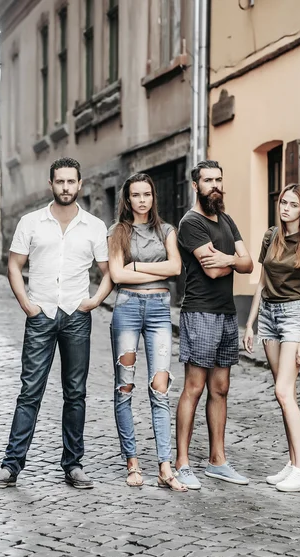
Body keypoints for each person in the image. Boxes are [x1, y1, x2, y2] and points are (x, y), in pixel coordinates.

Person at [0, 157, 113, 490]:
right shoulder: (31, 222)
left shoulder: (95, 226)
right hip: (41, 316)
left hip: (76, 316)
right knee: (30, 392)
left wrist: (94, 301)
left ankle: (73, 465)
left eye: (72, 182)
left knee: (75, 394)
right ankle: (11, 466)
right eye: (60, 182)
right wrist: (28, 305)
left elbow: (108, 270)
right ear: (51, 184)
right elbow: (14, 266)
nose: (66, 187)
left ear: (80, 184)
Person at [175, 160, 253, 490]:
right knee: (194, 387)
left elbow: (248, 264)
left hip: (226, 312)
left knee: (220, 388)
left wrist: (230, 261)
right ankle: (182, 463)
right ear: (196, 186)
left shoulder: (226, 219)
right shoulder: (190, 222)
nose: (214, 185)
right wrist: (233, 262)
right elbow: (211, 270)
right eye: (208, 180)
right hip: (200, 312)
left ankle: (217, 461)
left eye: (219, 179)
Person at [243, 183, 300, 492]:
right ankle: (292, 464)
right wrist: (250, 324)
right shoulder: (271, 237)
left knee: (283, 391)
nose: (285, 208)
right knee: (284, 394)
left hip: (294, 317)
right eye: (282, 202)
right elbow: (262, 282)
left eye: (292, 204)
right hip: (268, 317)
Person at [108, 173, 187, 492]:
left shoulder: (166, 230)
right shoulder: (117, 231)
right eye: (135, 195)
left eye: (147, 194)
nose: (142, 200)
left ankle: (165, 467)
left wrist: (137, 267)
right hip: (126, 307)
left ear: (153, 197)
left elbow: (176, 268)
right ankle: (132, 463)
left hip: (158, 310)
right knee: (124, 386)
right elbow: (115, 274)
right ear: (127, 200)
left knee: (160, 388)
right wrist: (150, 270)